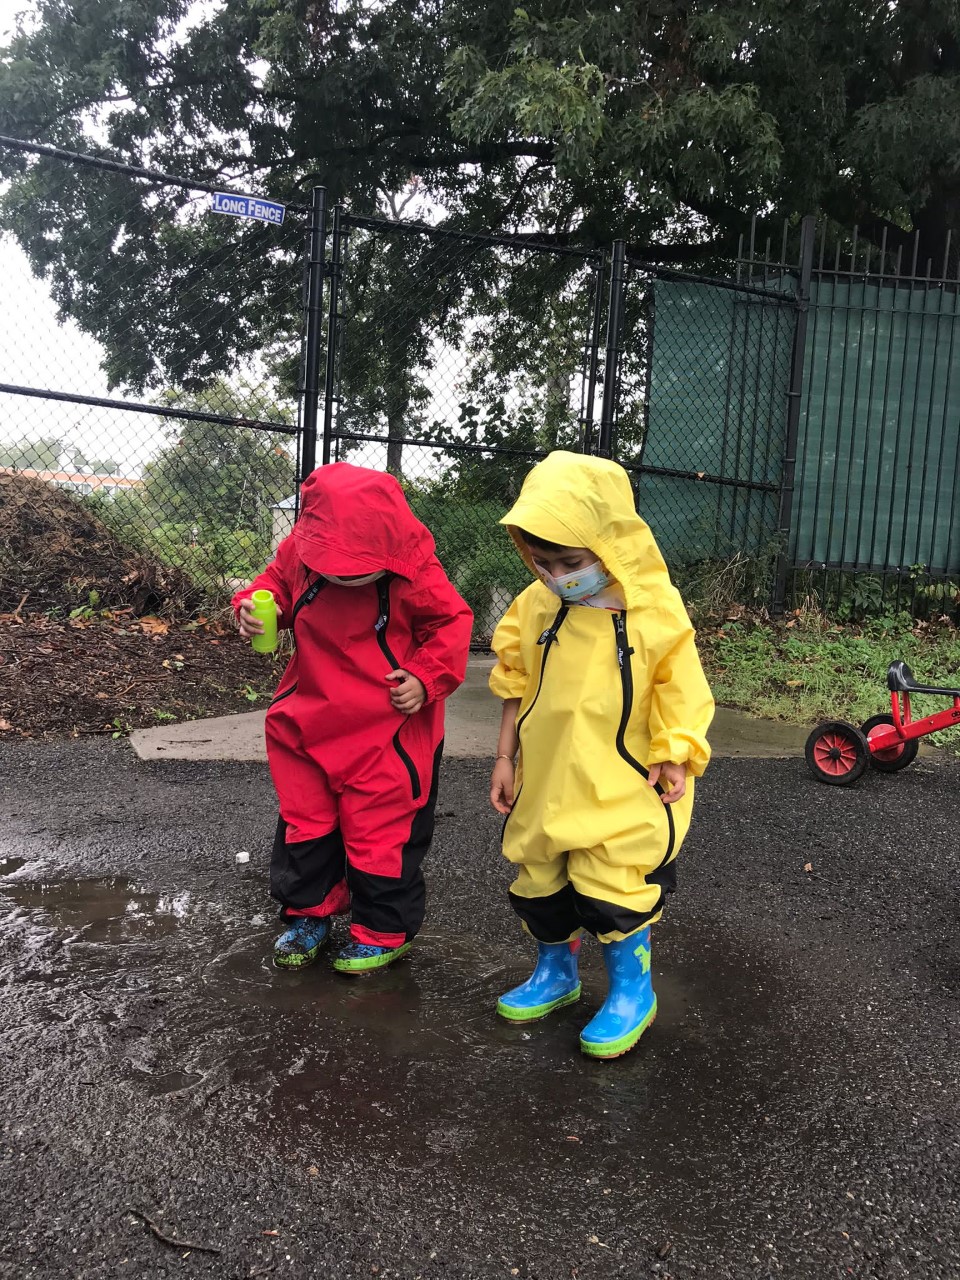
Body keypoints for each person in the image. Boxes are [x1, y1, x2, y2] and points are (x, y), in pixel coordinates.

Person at [488, 451, 714, 1058]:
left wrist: (676, 751)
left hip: (622, 781)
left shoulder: (653, 611)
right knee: (540, 878)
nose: (557, 575)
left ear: (610, 545)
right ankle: (556, 974)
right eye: (541, 562)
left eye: (571, 561)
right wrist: (506, 757)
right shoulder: (535, 606)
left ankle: (630, 991)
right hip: (547, 778)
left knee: (613, 885)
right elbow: (514, 682)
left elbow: (681, 685)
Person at [234, 463, 473, 974]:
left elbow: (451, 624)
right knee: (306, 822)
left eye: (355, 568)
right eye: (332, 567)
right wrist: (258, 607)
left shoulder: (416, 569)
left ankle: (384, 932)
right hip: (308, 719)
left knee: (380, 832)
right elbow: (272, 583)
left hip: (390, 729)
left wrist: (425, 678)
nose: (342, 577)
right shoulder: (299, 551)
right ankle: (308, 913)